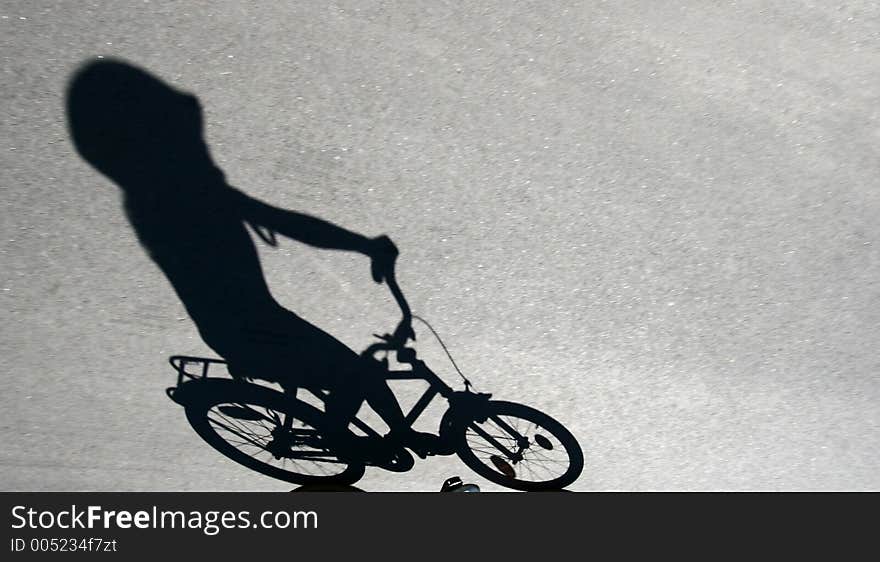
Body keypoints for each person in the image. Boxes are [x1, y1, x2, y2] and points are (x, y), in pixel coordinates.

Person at [66, 58, 437, 453]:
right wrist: (364, 246)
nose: (201, 141)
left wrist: (363, 246)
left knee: (363, 372)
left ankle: (400, 433)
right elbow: (287, 223)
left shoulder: (170, 191)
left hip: (262, 324)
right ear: (157, 139)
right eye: (188, 133)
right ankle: (336, 437)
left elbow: (278, 222)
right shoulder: (179, 197)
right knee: (355, 374)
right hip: (253, 334)